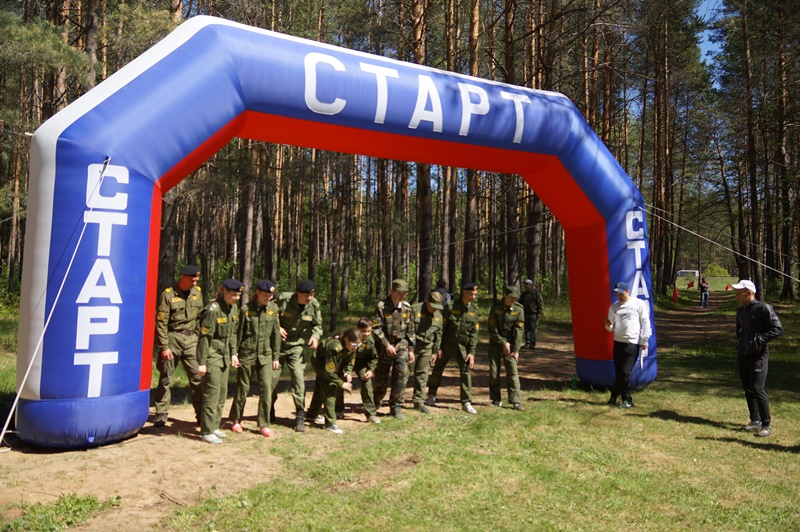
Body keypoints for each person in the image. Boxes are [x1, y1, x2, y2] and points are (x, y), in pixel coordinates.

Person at [153, 265, 204, 427]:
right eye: (192, 280)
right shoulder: (168, 295)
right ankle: (161, 412)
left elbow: (200, 317)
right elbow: (161, 323)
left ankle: (202, 414)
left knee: (197, 377)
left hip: (191, 339)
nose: (195, 283)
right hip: (173, 338)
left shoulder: (197, 293)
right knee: (165, 377)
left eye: (196, 280)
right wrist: (164, 346)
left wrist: (199, 339)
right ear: (183, 277)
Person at [228, 279, 281, 438]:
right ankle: (236, 420)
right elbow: (237, 334)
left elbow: (275, 334)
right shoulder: (245, 310)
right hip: (247, 354)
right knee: (242, 389)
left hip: (266, 355)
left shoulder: (273, 309)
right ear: (257, 292)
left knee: (266, 389)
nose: (268, 298)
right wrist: (234, 353)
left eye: (270, 296)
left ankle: (264, 424)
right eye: (265, 295)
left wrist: (276, 356)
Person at [732, 279, 782, 437]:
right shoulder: (740, 311)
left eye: (739, 293)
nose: (736, 295)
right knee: (748, 388)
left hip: (759, 355)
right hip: (743, 354)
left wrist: (759, 341)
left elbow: (777, 328)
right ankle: (755, 420)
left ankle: (766, 425)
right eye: (736, 292)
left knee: (757, 387)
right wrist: (741, 342)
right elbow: (739, 329)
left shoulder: (764, 308)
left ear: (749, 293)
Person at [273, 279, 323, 432]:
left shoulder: (313, 305)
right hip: (278, 346)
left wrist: (315, 336)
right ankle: (268, 411)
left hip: (296, 346)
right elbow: (269, 314)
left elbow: (317, 325)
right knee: (272, 379)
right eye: (306, 295)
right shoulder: (284, 300)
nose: (309, 298)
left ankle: (300, 415)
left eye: (312, 294)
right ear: (298, 293)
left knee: (298, 379)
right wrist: (277, 327)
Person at [197, 279, 243, 444]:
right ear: (224, 292)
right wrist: (202, 362)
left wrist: (234, 353)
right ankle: (207, 431)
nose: (237, 298)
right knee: (212, 393)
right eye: (234, 295)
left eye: (239, 295)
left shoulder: (233, 308)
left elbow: (232, 333)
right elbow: (205, 338)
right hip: (212, 357)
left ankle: (215, 425)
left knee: (222, 393)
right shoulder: (213, 310)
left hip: (224, 357)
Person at [426, 281, 480, 414]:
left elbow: (474, 334)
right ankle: (431, 395)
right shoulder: (450, 307)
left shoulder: (474, 311)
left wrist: (471, 352)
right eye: (471, 294)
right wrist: (438, 348)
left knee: (466, 372)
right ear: (464, 293)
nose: (473, 297)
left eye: (475, 294)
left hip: (463, 348)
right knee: (437, 370)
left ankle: (466, 402)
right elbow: (441, 329)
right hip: (446, 346)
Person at [371, 279, 416, 419]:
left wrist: (411, 349)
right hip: (384, 346)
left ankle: (396, 406)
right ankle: (375, 403)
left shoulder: (407, 308)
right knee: (381, 377)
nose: (401, 296)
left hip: (401, 345)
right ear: (392, 291)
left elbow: (410, 330)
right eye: (399, 293)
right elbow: (375, 328)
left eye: (404, 294)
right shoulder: (382, 307)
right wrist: (386, 345)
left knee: (401, 374)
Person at [604, 281, 650, 409]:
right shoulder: (613, 307)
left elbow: (645, 322)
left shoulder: (638, 303)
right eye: (617, 294)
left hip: (632, 343)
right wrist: (608, 326)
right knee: (620, 373)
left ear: (628, 291)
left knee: (624, 372)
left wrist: (644, 340)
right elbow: (611, 328)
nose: (619, 296)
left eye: (621, 293)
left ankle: (613, 395)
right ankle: (627, 400)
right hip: (618, 342)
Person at [306, 328, 360, 434]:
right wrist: (341, 383)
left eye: (358, 345)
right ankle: (330, 424)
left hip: (333, 362)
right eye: (354, 344)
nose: (356, 347)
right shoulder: (335, 347)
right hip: (320, 362)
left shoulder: (353, 346)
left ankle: (311, 415)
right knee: (330, 387)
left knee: (320, 387)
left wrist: (348, 372)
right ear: (346, 339)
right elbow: (328, 372)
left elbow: (350, 360)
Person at [487, 285, 526, 410]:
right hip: (496, 342)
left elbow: (519, 330)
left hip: (511, 344)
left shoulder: (519, 309)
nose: (513, 300)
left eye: (515, 298)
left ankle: (516, 401)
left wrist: (516, 350)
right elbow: (492, 329)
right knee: (494, 372)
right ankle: (495, 399)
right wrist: (503, 343)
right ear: (505, 295)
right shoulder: (496, 308)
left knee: (512, 371)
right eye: (511, 297)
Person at [406, 291, 444, 413]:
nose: (434, 309)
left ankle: (418, 402)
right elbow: (407, 330)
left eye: (437, 307)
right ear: (427, 301)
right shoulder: (414, 310)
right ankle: (397, 401)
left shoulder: (438, 316)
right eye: (432, 306)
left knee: (422, 376)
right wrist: (409, 348)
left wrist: (435, 352)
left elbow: (438, 335)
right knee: (404, 373)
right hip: (412, 346)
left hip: (427, 348)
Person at [352, 318, 381, 423]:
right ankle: (338, 409)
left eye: (369, 331)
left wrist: (371, 370)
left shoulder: (370, 341)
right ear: (358, 329)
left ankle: (370, 413)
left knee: (366, 383)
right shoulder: (350, 337)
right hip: (345, 362)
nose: (367, 334)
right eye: (364, 331)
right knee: (339, 382)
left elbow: (373, 358)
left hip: (360, 363)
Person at [518, 279, 544, 349]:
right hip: (525, 314)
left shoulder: (536, 293)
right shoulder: (524, 294)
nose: (526, 286)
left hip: (533, 314)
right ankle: (527, 343)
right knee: (526, 329)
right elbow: (520, 303)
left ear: (530, 285)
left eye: (527, 284)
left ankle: (532, 343)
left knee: (533, 329)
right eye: (525, 284)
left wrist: (539, 312)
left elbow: (540, 303)